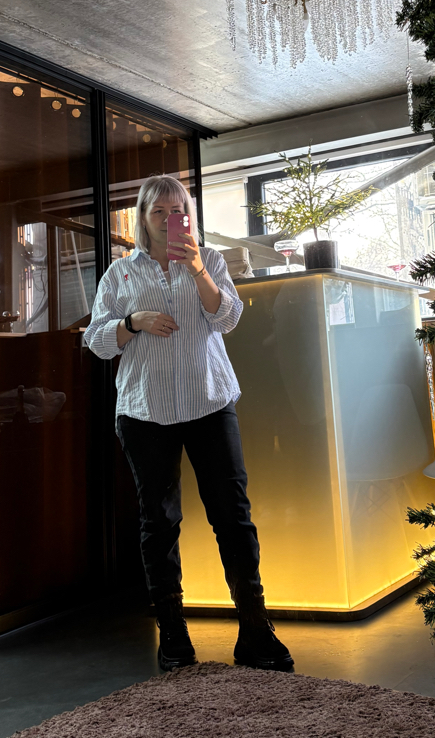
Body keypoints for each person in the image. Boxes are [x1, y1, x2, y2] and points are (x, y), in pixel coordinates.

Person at [84, 174, 293, 673]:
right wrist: (133, 323)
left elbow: (228, 319)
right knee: (159, 523)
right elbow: (96, 341)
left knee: (233, 517)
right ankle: (174, 635)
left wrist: (197, 269)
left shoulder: (211, 260)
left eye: (178, 210)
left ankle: (255, 630)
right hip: (145, 411)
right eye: (159, 211)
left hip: (209, 402)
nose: (170, 218)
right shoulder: (120, 273)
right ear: (144, 219)